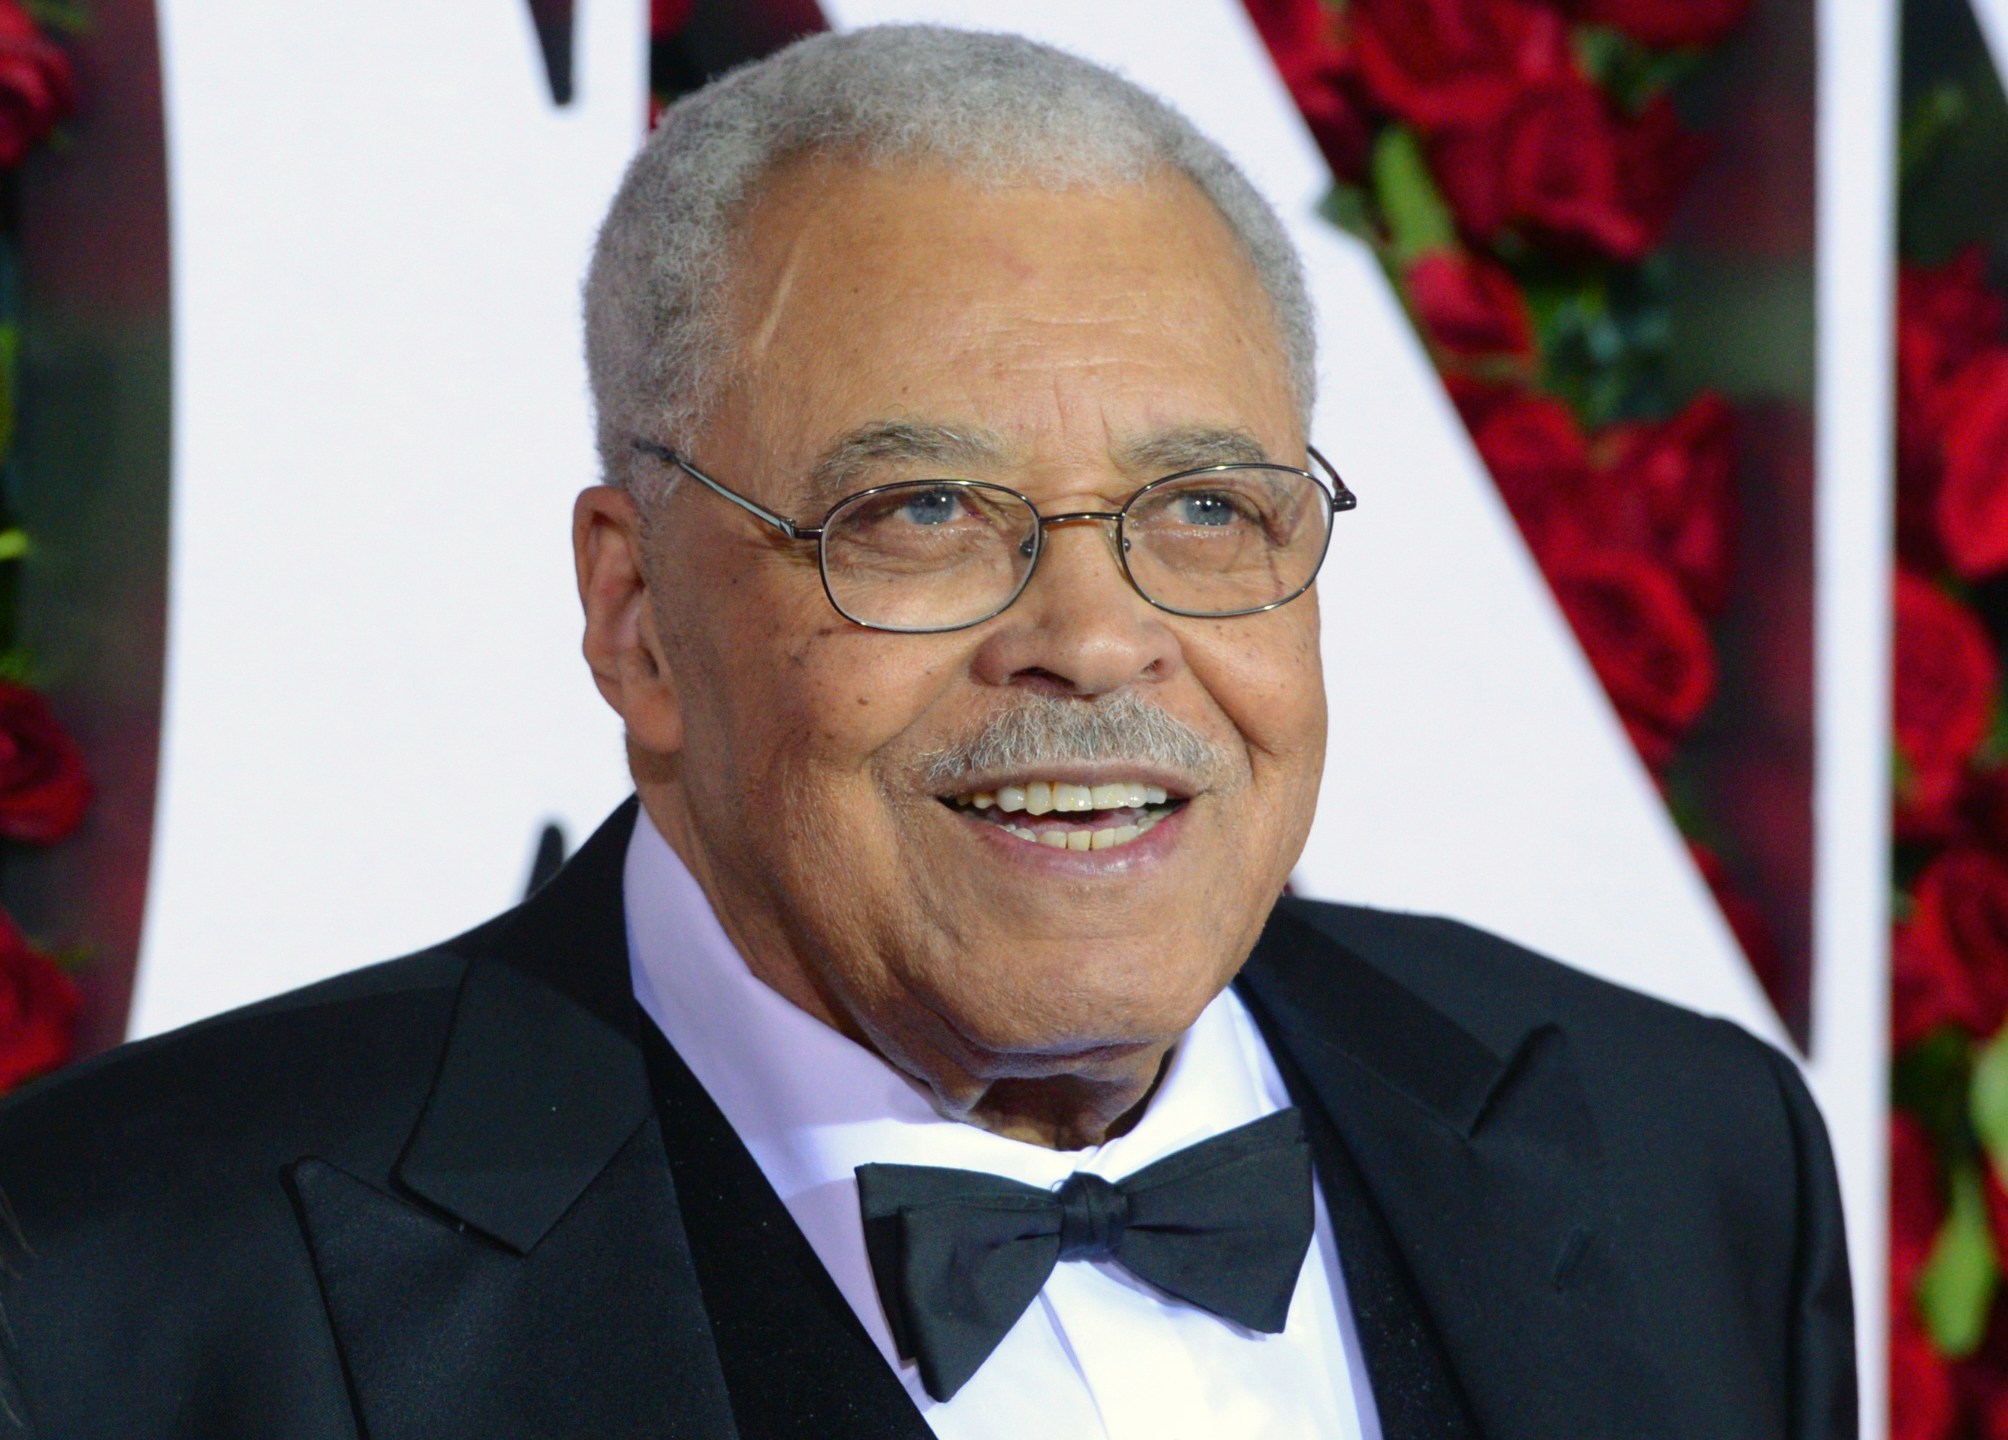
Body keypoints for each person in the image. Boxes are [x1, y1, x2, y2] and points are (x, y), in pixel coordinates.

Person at [0, 25, 1852, 1440]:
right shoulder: (107, 1286)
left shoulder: (1688, 1153)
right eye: (923, 516)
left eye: (1208, 508)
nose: (1096, 640)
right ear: (636, 617)